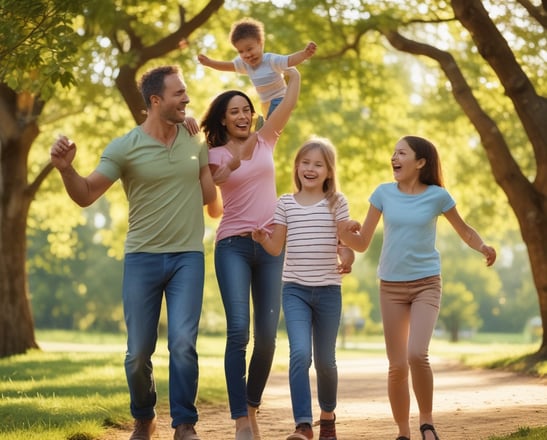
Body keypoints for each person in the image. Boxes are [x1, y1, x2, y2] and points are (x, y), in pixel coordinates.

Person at [50, 65, 216, 440]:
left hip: (188, 255)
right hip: (142, 257)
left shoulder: (195, 139)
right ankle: (145, 416)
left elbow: (210, 196)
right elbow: (86, 194)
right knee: (138, 352)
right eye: (179, 94)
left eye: (186, 92)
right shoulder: (124, 147)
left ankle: (185, 423)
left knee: (183, 344)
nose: (187, 99)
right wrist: (65, 170)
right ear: (155, 100)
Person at [338, 135, 497, 440]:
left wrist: (483, 246)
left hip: (426, 284)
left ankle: (427, 422)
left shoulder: (437, 196)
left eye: (401, 153)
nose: (394, 158)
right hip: (391, 288)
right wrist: (343, 233)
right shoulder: (382, 193)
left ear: (420, 162)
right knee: (397, 365)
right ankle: (402, 432)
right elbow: (362, 243)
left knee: (416, 354)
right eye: (393, 153)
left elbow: (464, 230)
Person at [199, 67, 301, 440]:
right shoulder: (212, 153)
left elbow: (287, 106)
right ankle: (241, 419)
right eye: (234, 112)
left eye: (246, 110)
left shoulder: (265, 140)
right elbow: (210, 207)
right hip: (233, 246)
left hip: (270, 246)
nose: (243, 116)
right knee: (238, 330)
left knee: (268, 337)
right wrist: (220, 174)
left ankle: (252, 406)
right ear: (223, 120)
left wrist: (293, 75)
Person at [252, 137, 354, 440]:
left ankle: (328, 416)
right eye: (305, 163)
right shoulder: (284, 203)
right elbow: (275, 247)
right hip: (294, 289)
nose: (310, 169)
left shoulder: (338, 203)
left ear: (329, 171)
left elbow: (345, 247)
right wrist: (261, 238)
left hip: (328, 292)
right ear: (296, 167)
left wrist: (347, 259)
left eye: (318, 164)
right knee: (299, 354)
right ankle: (303, 424)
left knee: (325, 360)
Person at [197, 17, 316, 120]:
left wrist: (305, 54)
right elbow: (228, 66)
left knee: (270, 125)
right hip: (265, 103)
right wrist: (210, 63)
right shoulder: (244, 64)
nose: (247, 54)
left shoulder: (270, 60)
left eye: (249, 49)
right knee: (262, 123)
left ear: (260, 43)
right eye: (241, 51)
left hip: (279, 100)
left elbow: (290, 60)